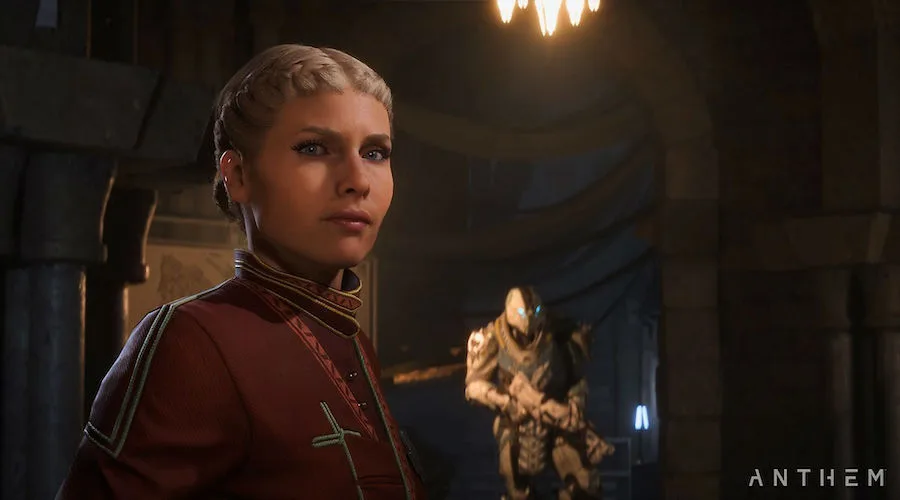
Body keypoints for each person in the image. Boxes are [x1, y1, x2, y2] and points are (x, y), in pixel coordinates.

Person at [57, 44, 426, 500]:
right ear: (238, 176)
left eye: (374, 152)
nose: (357, 180)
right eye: (313, 148)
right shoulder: (190, 341)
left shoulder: (354, 343)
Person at [464, 287, 614, 500]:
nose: (530, 338)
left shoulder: (559, 335)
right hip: (517, 425)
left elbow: (577, 380)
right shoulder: (492, 337)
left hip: (556, 425)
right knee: (517, 491)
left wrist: (574, 407)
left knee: (585, 485)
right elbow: (473, 386)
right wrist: (503, 401)